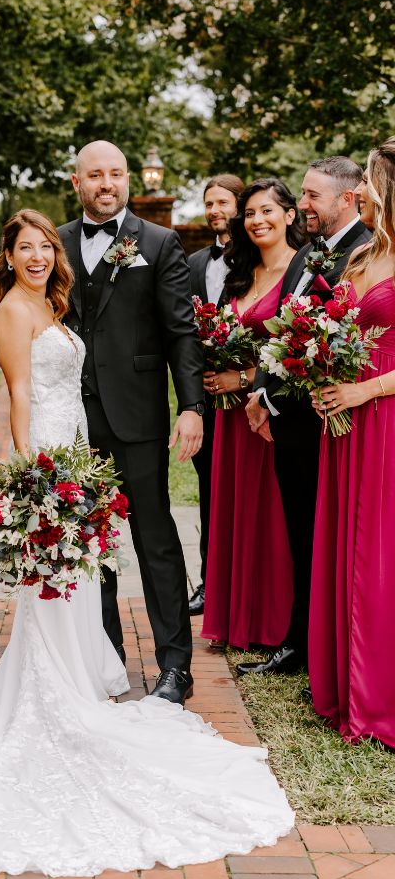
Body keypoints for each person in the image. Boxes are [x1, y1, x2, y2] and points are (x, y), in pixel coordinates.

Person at [0, 207, 294, 875]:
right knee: (56, 578)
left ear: (56, 253)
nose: (37, 257)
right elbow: (21, 398)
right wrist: (35, 481)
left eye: (44, 247)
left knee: (79, 574)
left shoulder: (51, 304)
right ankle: (53, 694)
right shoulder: (12, 315)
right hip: (50, 459)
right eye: (24, 248)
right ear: (8, 256)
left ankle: (79, 676)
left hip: (76, 450)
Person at [59, 140, 204, 704]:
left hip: (139, 416)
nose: (106, 183)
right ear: (78, 183)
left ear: (126, 181)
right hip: (73, 419)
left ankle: (175, 664)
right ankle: (106, 658)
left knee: (155, 538)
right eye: (95, 175)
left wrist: (191, 407)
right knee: (89, 542)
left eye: (115, 174)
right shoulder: (58, 243)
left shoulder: (160, 242)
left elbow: (181, 333)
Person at [240, 156, 369, 677]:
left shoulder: (363, 254)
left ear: (347, 198)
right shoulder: (309, 253)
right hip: (289, 419)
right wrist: (262, 392)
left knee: (325, 536)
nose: (305, 205)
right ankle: (300, 641)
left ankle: (318, 646)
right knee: (301, 532)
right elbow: (284, 328)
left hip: (330, 424)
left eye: (313, 196)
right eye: (303, 193)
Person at [308, 138, 395, 746]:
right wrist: (323, 374)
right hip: (345, 426)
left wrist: (364, 392)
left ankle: (379, 698)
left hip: (386, 421)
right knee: (347, 546)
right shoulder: (363, 257)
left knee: (379, 555)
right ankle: (346, 685)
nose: (357, 189)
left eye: (365, 180)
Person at [201, 180, 301, 651]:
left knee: (272, 515)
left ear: (288, 214)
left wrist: (242, 381)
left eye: (267, 211)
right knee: (234, 509)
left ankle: (272, 623)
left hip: (268, 414)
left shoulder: (301, 272)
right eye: (250, 214)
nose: (257, 220)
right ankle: (235, 615)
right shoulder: (239, 274)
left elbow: (291, 348)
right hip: (230, 419)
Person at [186, 174, 244, 617]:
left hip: (251, 396)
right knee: (210, 493)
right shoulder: (192, 263)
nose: (213, 210)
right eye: (208, 203)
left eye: (222, 202)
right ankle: (210, 583)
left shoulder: (257, 259)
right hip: (207, 395)